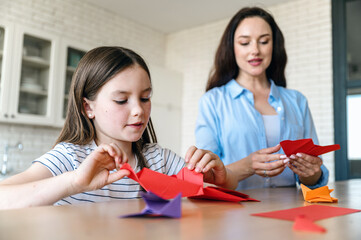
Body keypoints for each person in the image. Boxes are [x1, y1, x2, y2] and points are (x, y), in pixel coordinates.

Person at [0, 46, 238, 209]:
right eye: (122, 100)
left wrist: (220, 177)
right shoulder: (71, 158)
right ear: (88, 107)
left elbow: (209, 196)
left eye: (145, 98)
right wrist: (74, 182)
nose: (138, 110)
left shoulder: (159, 160)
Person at [195, 7, 329, 190]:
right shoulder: (212, 101)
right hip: (234, 214)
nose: (255, 50)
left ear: (274, 45)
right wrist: (248, 165)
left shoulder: (298, 101)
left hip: (290, 212)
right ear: (232, 47)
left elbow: (314, 178)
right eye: (245, 43)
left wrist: (312, 172)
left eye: (264, 41)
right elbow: (206, 174)